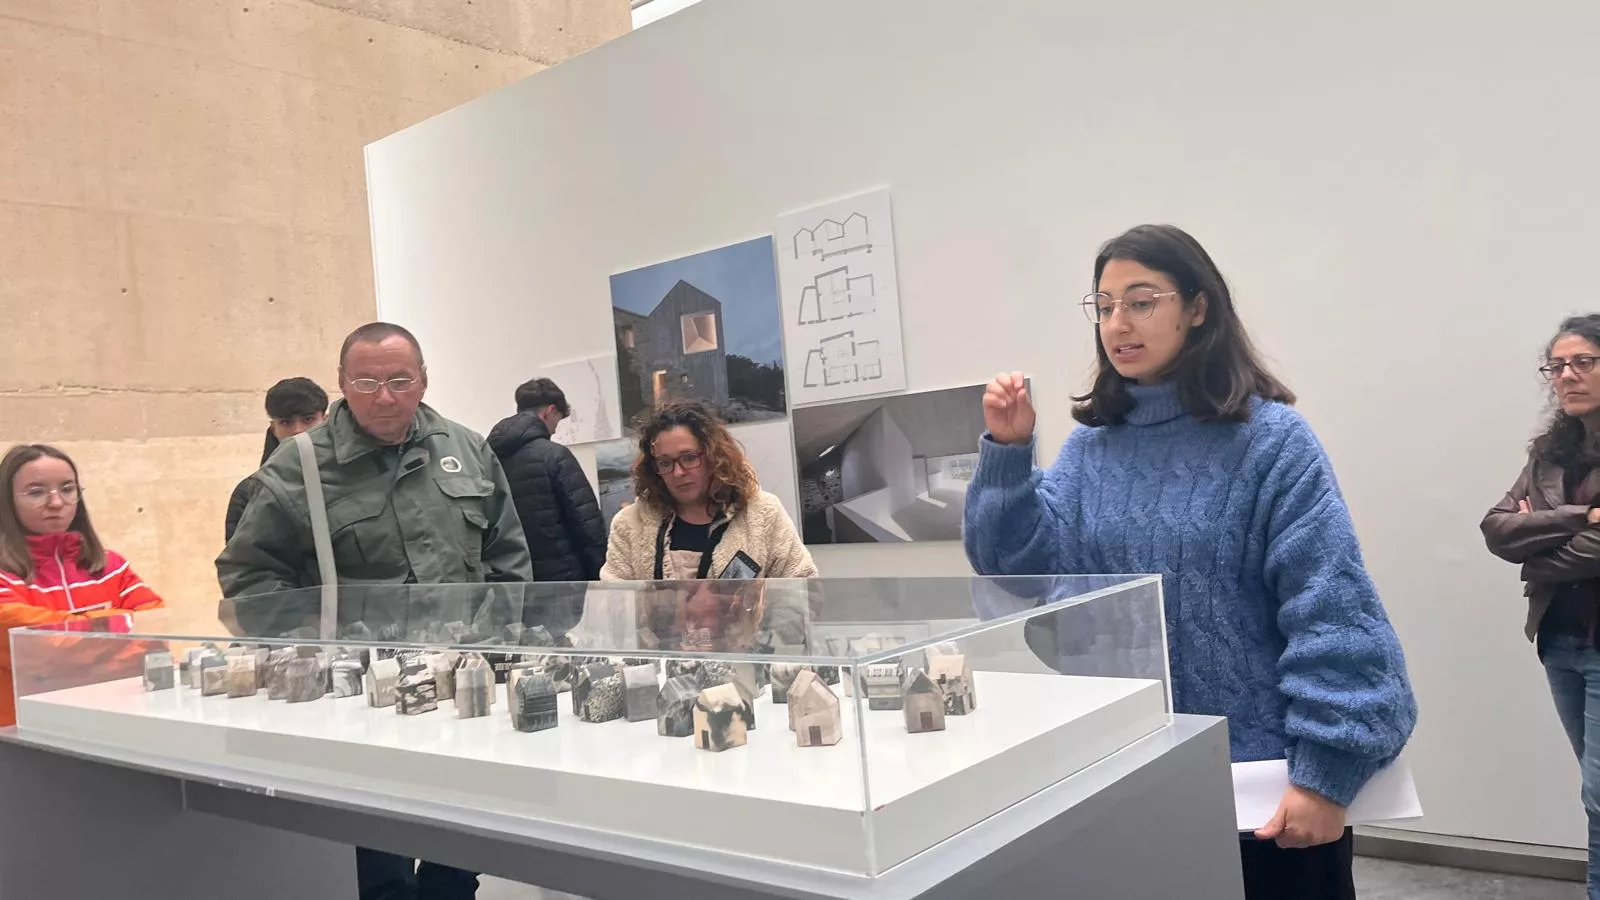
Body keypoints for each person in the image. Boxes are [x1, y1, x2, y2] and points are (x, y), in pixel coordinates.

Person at [963, 224, 1415, 900]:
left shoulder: (1270, 443)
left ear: (1198, 308)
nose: (1119, 322)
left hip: (1262, 797)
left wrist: (1325, 773)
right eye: (1105, 304)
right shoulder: (1092, 451)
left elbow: (1331, 612)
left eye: (1142, 301)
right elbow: (1012, 565)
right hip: (1125, 782)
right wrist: (1008, 452)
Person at [216, 322, 532, 900]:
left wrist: (500, 650)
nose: (383, 396)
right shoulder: (299, 468)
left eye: (398, 380)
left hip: (459, 693)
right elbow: (249, 575)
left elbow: (507, 559)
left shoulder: (467, 449)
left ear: (422, 380)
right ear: (341, 382)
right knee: (376, 856)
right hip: (361, 703)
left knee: (459, 846)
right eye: (365, 381)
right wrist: (315, 646)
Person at [1480, 313, 1600, 900]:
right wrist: (1580, 517)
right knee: (1595, 788)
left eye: (1584, 362)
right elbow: (1499, 529)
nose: (1566, 376)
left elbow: (1535, 549)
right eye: (1556, 365)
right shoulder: (1548, 455)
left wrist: (1540, 551)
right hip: (1558, 643)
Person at [0, 444, 164, 725]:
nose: (56, 502)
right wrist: (117, 626)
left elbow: (157, 629)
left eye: (67, 489)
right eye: (36, 492)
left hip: (116, 718)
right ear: (7, 500)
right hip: (26, 732)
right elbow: (39, 652)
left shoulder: (111, 565)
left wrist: (77, 642)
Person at [600, 399, 816, 583]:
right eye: (665, 463)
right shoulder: (629, 524)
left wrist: (756, 620)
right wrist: (664, 610)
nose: (678, 472)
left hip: (746, 633)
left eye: (689, 458)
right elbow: (614, 605)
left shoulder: (763, 513)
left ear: (714, 455)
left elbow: (803, 589)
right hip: (656, 634)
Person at [488, 377, 607, 581]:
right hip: (562, 583)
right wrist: (600, 576)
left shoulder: (488, 457)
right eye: (558, 421)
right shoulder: (554, 456)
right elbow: (588, 526)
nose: (554, 429)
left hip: (510, 581)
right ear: (550, 411)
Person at [224, 377, 329, 542]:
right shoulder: (249, 492)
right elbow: (240, 562)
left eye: (308, 420)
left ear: (326, 420)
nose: (298, 431)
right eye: (286, 422)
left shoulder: (354, 476)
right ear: (274, 429)